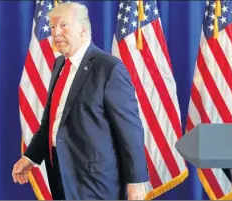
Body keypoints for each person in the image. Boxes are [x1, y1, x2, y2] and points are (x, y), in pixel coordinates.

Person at [12, 2, 149, 200]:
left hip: (96, 184)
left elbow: (130, 130)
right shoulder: (60, 63)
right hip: (61, 176)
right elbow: (52, 122)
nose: (55, 33)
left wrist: (135, 182)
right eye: (52, 27)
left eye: (63, 25)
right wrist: (31, 157)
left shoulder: (109, 68)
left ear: (83, 29)